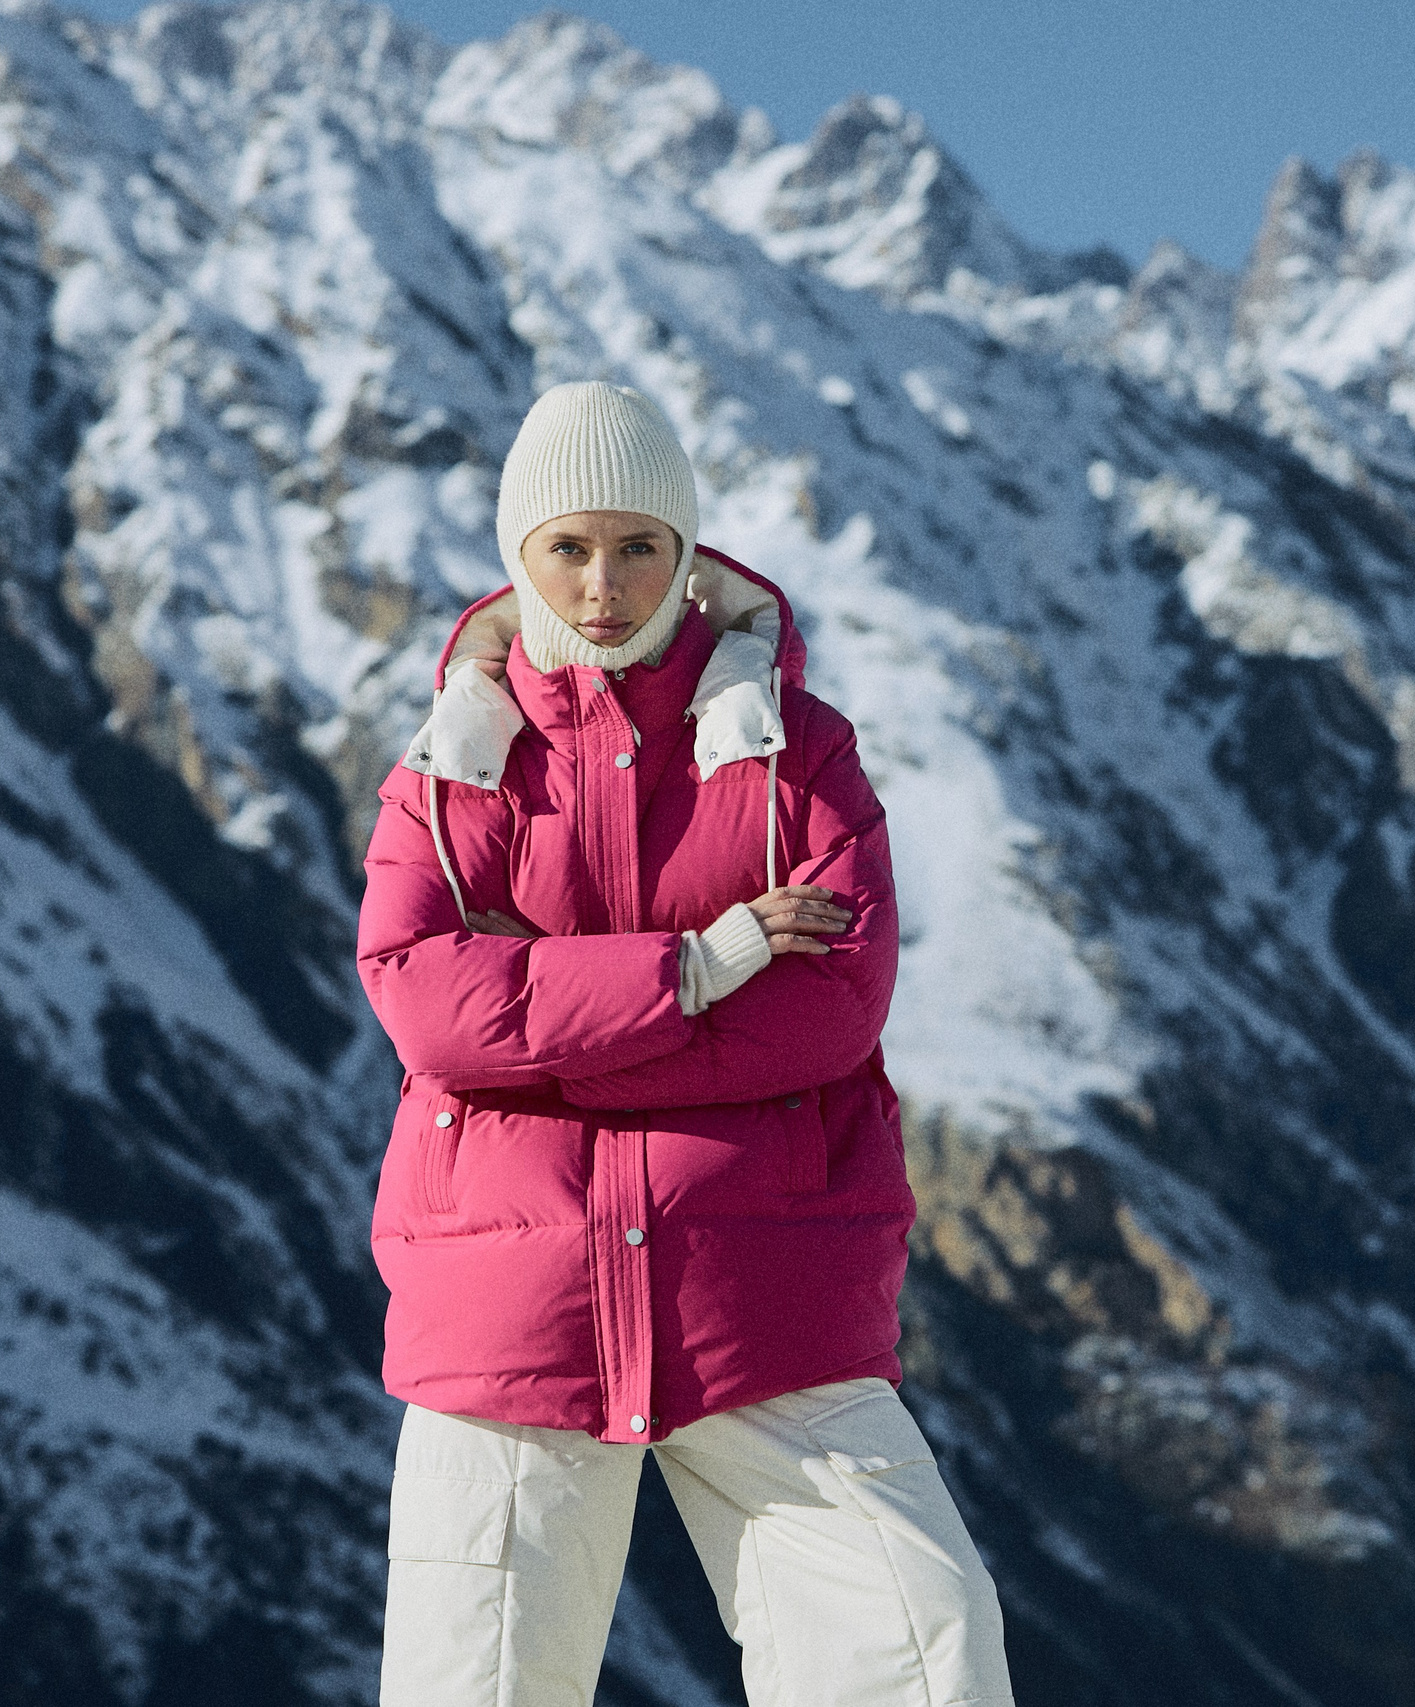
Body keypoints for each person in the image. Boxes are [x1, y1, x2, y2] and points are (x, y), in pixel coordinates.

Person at [355, 380, 1016, 1706]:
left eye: (639, 545)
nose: (604, 583)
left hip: (763, 1296)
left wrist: (538, 1037)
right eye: (569, 547)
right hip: (513, 1312)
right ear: (518, 557)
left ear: (688, 551)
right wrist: (702, 967)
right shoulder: (451, 771)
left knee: (924, 1654)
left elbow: (835, 1002)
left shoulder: (794, 755)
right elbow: (421, 996)